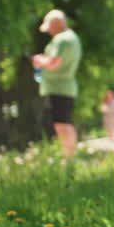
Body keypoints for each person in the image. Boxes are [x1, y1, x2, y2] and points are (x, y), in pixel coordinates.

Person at [31, 9, 83, 160]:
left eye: (50, 28)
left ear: (57, 24)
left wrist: (39, 61)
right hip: (64, 87)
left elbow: (54, 63)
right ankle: (69, 158)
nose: (49, 32)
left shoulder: (62, 39)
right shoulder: (72, 38)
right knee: (64, 123)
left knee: (62, 125)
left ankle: (68, 159)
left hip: (58, 87)